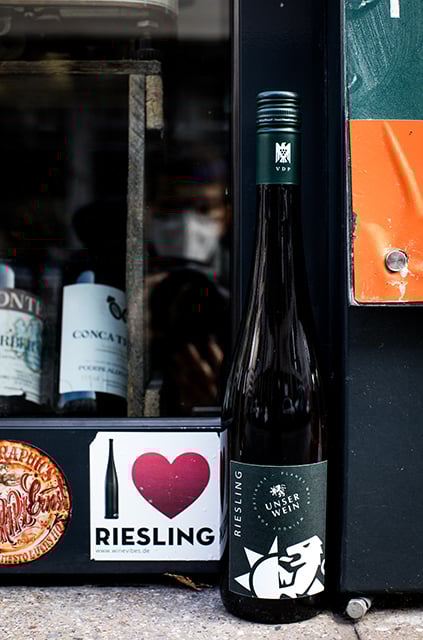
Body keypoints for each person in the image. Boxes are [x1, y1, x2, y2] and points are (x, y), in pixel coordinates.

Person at [145, 149, 231, 416]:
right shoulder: (127, 282)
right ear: (146, 213)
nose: (187, 225)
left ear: (226, 215)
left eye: (204, 209)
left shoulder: (246, 285)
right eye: (171, 208)